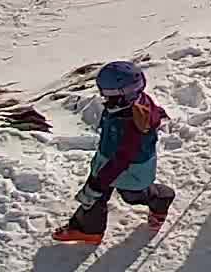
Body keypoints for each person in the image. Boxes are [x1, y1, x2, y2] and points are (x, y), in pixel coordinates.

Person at [51, 60, 173, 245]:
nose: (104, 99)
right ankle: (88, 230)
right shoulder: (129, 105)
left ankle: (162, 199)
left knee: (132, 196)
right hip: (109, 162)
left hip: (131, 170)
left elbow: (123, 158)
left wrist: (99, 182)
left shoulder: (131, 122)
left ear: (123, 95)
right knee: (94, 198)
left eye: (108, 96)